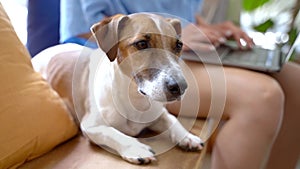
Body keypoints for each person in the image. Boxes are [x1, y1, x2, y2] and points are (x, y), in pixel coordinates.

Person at [60, 0, 300, 169]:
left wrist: (208, 29)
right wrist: (169, 37)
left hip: (182, 51)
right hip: (124, 62)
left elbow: (185, 13)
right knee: (262, 96)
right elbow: (87, 32)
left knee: (294, 79)